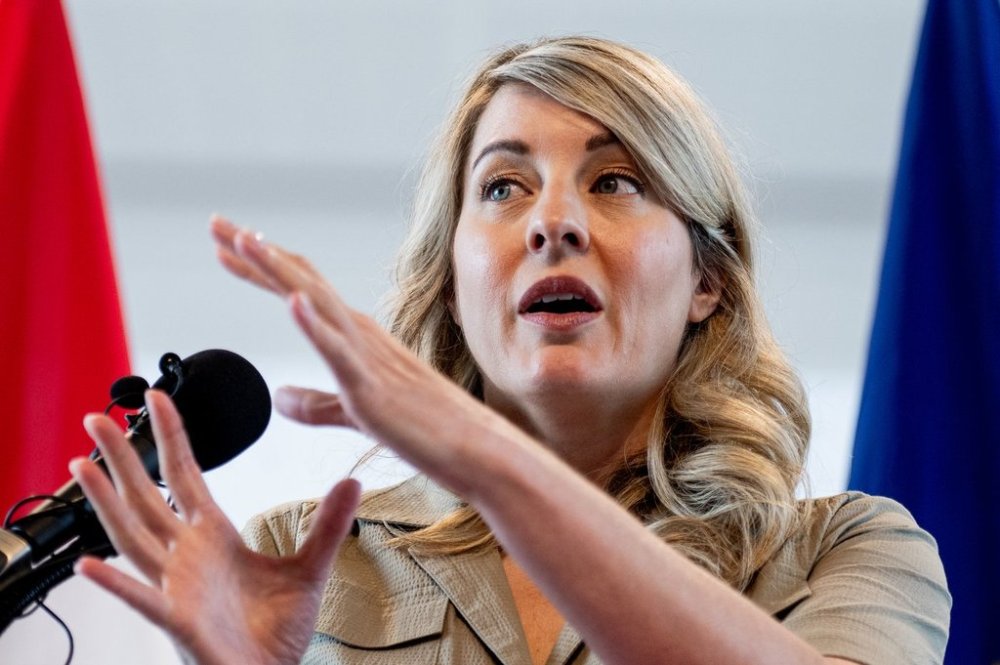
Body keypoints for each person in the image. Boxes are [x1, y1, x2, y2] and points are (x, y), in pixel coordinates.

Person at [68, 37, 950, 665]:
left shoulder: (851, 551)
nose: (553, 222)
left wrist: (488, 458)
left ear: (705, 280)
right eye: (502, 186)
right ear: (453, 281)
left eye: (615, 181)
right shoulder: (300, 556)